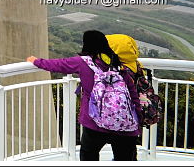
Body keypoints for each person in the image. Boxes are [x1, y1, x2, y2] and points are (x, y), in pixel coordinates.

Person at [26, 30, 140, 161]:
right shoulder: (118, 63)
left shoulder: (83, 62)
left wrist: (35, 61)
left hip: (95, 122)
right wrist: (138, 120)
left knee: (88, 154)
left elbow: (57, 65)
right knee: (125, 158)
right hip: (124, 124)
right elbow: (132, 93)